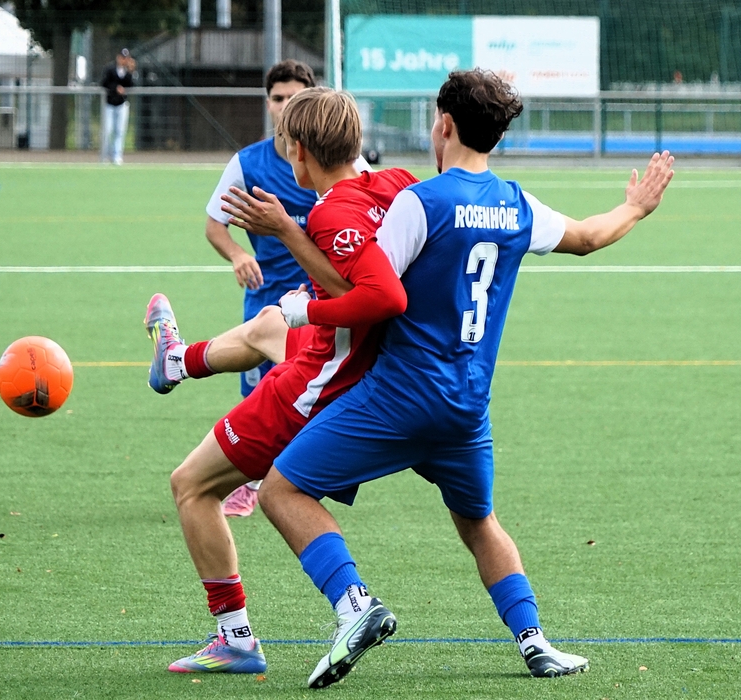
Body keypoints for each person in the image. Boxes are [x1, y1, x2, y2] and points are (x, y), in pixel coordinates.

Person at [253, 69, 675, 689]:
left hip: (398, 397)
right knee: (479, 522)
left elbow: (367, 294)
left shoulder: (421, 202)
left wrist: (297, 301)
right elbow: (588, 237)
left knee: (280, 490)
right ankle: (535, 642)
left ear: (444, 125)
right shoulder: (515, 204)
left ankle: (354, 603)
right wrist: (636, 207)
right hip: (466, 408)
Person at [144, 87, 418, 674]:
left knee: (191, 486)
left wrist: (289, 233)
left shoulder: (329, 214)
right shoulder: (398, 184)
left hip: (318, 382)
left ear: (297, 152)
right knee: (270, 321)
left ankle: (237, 638)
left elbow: (372, 296)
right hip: (356, 361)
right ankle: (178, 360)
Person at [199, 59, 368, 517]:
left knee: (312, 392)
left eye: (294, 97)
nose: (284, 106)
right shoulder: (247, 163)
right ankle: (253, 480)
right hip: (267, 296)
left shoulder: (343, 163)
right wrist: (239, 254)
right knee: (259, 396)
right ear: (268, 103)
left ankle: (284, 479)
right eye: (277, 98)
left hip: (320, 303)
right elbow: (215, 225)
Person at [100, 49, 135, 165]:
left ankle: (117, 155)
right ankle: (106, 155)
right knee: (107, 130)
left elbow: (131, 85)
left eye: (126, 58)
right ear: (118, 57)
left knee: (119, 131)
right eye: (122, 57)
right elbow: (104, 83)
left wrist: (130, 71)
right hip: (109, 104)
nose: (124, 60)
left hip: (122, 104)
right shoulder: (110, 69)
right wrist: (116, 88)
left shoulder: (127, 71)